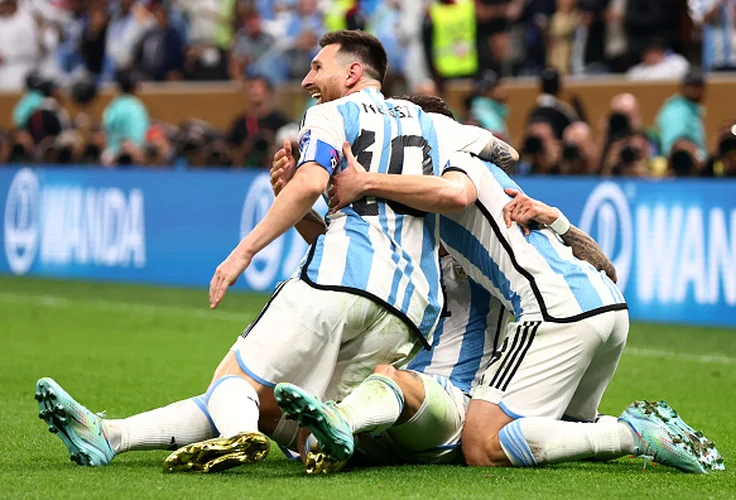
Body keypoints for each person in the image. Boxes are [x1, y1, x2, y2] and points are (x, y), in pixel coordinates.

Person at [35, 29, 478, 474]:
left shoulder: (329, 114)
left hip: (340, 279)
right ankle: (109, 436)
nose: (307, 80)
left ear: (353, 73)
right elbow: (500, 153)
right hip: (409, 311)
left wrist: (242, 253)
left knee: (234, 381)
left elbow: (311, 183)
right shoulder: (429, 123)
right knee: (301, 423)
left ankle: (236, 437)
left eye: (317, 67)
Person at [304, 105, 723, 475]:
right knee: (563, 435)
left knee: (481, 444)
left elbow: (437, 207)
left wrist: (367, 182)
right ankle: (645, 434)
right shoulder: (493, 178)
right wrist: (558, 221)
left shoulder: (450, 168)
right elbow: (606, 269)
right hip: (609, 308)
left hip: (553, 312)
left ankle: (632, 435)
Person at [655, 69, 707, 158]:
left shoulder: (692, 109)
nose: (698, 90)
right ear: (683, 87)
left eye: (700, 86)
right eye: (693, 86)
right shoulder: (676, 112)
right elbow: (673, 146)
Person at [102, 70, 150, 163]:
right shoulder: (137, 107)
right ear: (134, 87)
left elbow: (106, 128)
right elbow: (139, 137)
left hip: (110, 157)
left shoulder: (113, 105)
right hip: (131, 159)